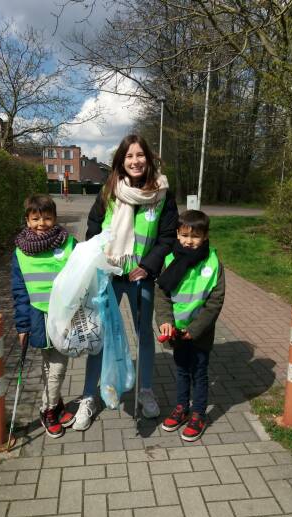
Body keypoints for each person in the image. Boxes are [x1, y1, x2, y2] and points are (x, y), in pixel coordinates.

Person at [72, 134, 178, 430]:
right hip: (109, 275)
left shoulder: (163, 193)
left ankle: (145, 391)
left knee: (144, 336)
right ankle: (89, 396)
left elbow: (168, 236)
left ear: (148, 158)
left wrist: (147, 266)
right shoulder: (109, 190)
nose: (135, 161)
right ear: (121, 161)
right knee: (100, 335)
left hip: (141, 277)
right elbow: (93, 227)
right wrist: (99, 257)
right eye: (129, 156)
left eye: (140, 155)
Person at [155, 210, 225, 441]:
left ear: (205, 236)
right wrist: (165, 322)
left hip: (199, 333)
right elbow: (162, 295)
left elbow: (215, 303)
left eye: (195, 236)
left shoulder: (213, 263)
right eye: (184, 235)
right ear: (177, 233)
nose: (189, 241)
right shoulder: (169, 260)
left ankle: (198, 415)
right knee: (182, 371)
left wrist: (193, 330)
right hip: (176, 332)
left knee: (200, 373)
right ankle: (181, 408)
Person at [11, 193, 77, 438]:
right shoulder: (20, 252)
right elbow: (19, 293)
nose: (41, 224)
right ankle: (54, 406)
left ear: (55, 218)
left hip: (64, 316)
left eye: (47, 218)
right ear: (27, 220)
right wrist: (22, 326)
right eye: (35, 218)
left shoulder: (68, 243)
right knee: (49, 364)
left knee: (58, 365)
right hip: (38, 317)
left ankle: (48, 408)